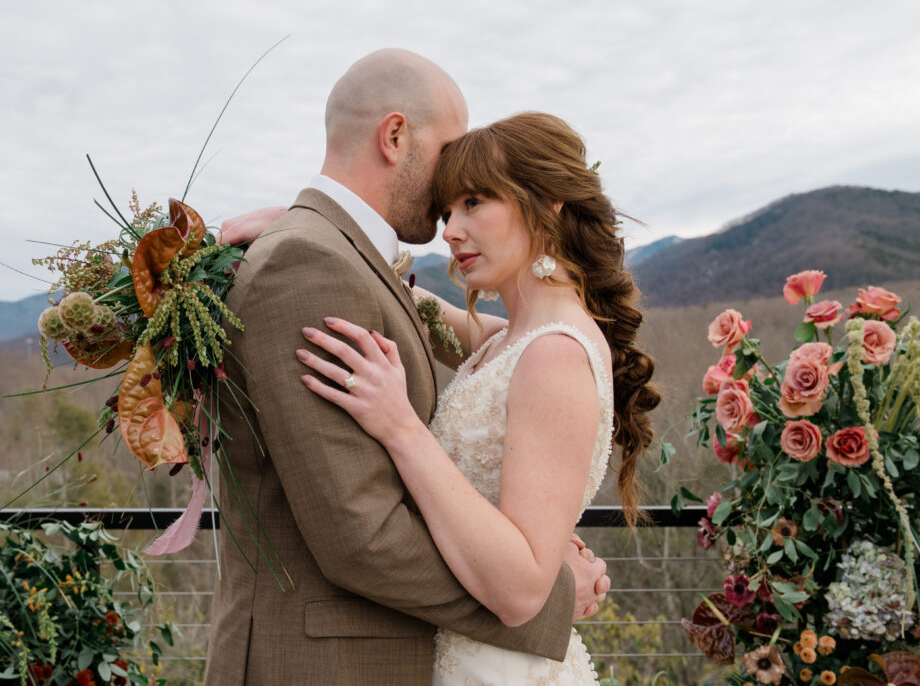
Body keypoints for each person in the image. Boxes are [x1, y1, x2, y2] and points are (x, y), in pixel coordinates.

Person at [206, 51, 609, 685]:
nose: (452, 223)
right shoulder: (307, 263)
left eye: (475, 200)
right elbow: (361, 536)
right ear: (395, 136)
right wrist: (547, 594)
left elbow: (540, 351)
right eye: (451, 165)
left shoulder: (546, 344)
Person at [295, 111, 661, 683]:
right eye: (446, 211)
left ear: (550, 202)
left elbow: (520, 591)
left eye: (474, 203)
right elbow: (404, 298)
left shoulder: (554, 356)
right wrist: (306, 229)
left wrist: (400, 426)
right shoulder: (508, 339)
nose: (451, 230)